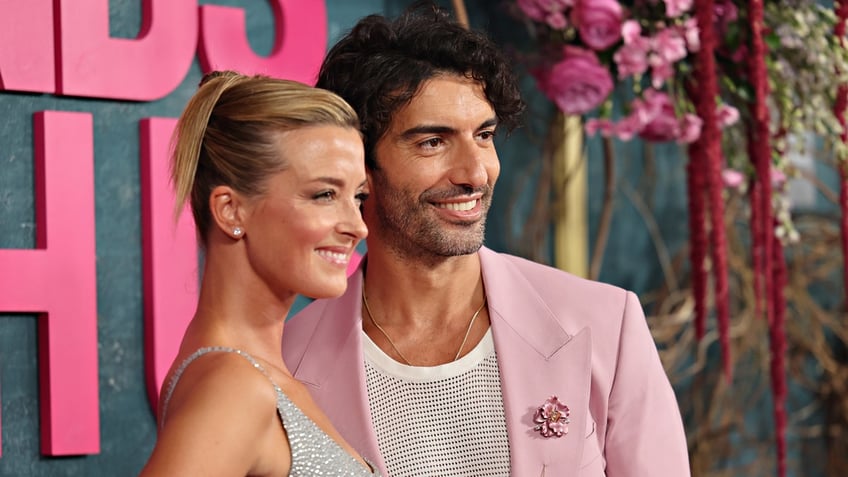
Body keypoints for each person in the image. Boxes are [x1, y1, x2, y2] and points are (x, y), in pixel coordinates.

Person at [281, 5, 690, 477]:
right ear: (359, 167)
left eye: (484, 135)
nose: (475, 173)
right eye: (432, 141)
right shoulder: (288, 365)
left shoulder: (604, 326)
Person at [140, 71, 381, 476]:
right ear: (231, 211)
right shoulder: (233, 386)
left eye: (357, 197)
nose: (357, 226)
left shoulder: (251, 374)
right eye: (324, 195)